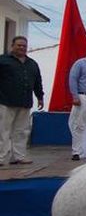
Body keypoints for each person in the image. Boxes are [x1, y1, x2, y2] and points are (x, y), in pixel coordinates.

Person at [0, 36, 43, 166]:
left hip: (24, 102)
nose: (22, 48)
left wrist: (40, 97)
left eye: (24, 46)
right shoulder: (2, 60)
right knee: (3, 130)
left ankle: (18, 157)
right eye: (19, 45)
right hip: (5, 101)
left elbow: (37, 82)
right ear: (12, 46)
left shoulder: (32, 64)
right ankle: (1, 158)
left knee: (21, 131)